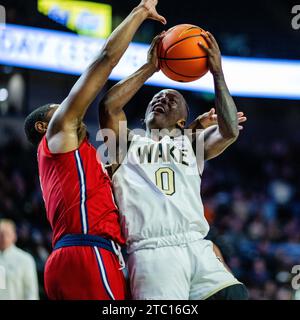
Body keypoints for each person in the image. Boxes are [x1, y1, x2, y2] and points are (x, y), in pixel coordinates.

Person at [23, 0, 166, 300]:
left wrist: (151, 68)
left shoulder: (79, 157)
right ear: (42, 127)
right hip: (87, 252)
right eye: (57, 107)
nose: (65, 106)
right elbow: (104, 60)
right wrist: (141, 11)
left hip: (80, 255)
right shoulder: (58, 133)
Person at [99, 31, 248, 299]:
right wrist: (150, 67)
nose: (161, 99)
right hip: (153, 252)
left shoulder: (192, 144)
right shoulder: (124, 144)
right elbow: (109, 106)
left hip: (196, 244)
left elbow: (230, 130)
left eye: (172, 99)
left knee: (235, 294)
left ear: (182, 121)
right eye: (156, 98)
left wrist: (217, 73)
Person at [0, 219, 39, 300]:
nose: (3, 238)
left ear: (14, 236)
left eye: (6, 234)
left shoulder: (25, 259)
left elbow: (31, 292)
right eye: (0, 234)